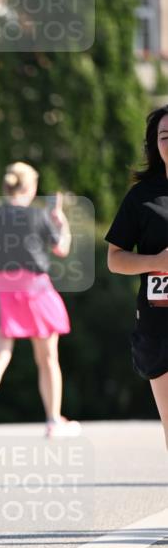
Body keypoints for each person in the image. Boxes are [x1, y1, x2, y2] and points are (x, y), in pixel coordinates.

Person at [0, 161, 79, 438]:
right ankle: (54, 420)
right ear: (30, 187)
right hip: (35, 291)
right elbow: (62, 249)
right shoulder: (39, 216)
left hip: (0, 291)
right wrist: (61, 221)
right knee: (48, 359)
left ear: (7, 186)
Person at [105, 105, 168, 449]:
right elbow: (115, 260)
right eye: (164, 137)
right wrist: (157, 260)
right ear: (154, 145)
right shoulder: (142, 197)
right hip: (159, 326)